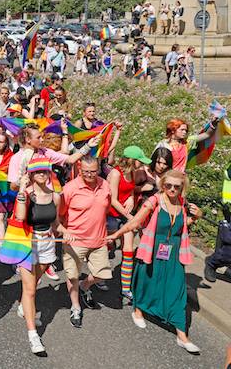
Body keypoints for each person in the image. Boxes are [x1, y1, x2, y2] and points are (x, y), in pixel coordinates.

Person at [107, 170, 202, 353]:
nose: (172, 189)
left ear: (182, 188)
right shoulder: (155, 201)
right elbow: (135, 223)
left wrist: (197, 215)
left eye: (177, 186)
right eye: (168, 185)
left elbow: (183, 224)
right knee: (146, 282)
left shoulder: (183, 204)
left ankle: (182, 335)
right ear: (162, 185)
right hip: (152, 247)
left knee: (177, 290)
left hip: (174, 252)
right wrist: (116, 235)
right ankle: (138, 310)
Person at [13, 158, 62, 355]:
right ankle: (33, 335)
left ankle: (24, 306)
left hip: (47, 243)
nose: (42, 174)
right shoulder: (26, 194)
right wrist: (22, 190)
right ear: (31, 174)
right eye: (38, 172)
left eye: (45, 171)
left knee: (34, 284)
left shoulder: (55, 196)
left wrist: (69, 233)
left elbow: (56, 224)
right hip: (28, 242)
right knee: (31, 290)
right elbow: (19, 217)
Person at [57, 156, 113, 329]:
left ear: (98, 169)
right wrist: (65, 232)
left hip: (99, 239)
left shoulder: (105, 185)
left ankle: (85, 285)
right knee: (72, 275)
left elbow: (107, 208)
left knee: (102, 274)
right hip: (75, 240)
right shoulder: (70, 188)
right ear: (80, 170)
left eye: (93, 171)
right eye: (86, 171)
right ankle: (75, 307)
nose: (90, 175)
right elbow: (60, 215)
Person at [107, 145, 151, 303]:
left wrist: (132, 199)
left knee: (128, 250)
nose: (143, 164)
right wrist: (131, 216)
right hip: (111, 216)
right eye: (140, 161)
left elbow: (131, 190)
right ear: (132, 160)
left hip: (124, 216)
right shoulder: (115, 173)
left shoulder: (132, 172)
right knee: (108, 245)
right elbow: (112, 199)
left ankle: (125, 288)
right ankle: (99, 276)